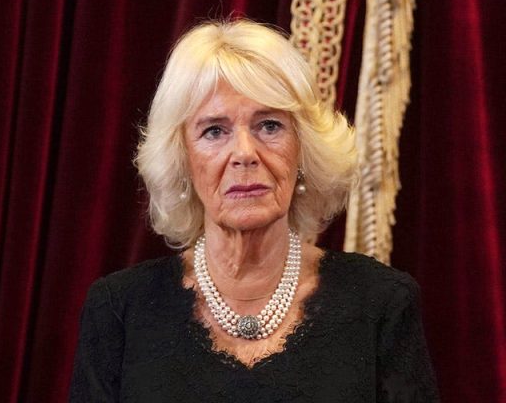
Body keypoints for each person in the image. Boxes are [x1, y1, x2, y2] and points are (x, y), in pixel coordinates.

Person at [69, 20, 438, 402]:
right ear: (183, 160)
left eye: (269, 125)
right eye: (214, 131)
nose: (244, 153)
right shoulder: (118, 311)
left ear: (303, 149)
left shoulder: (381, 304)